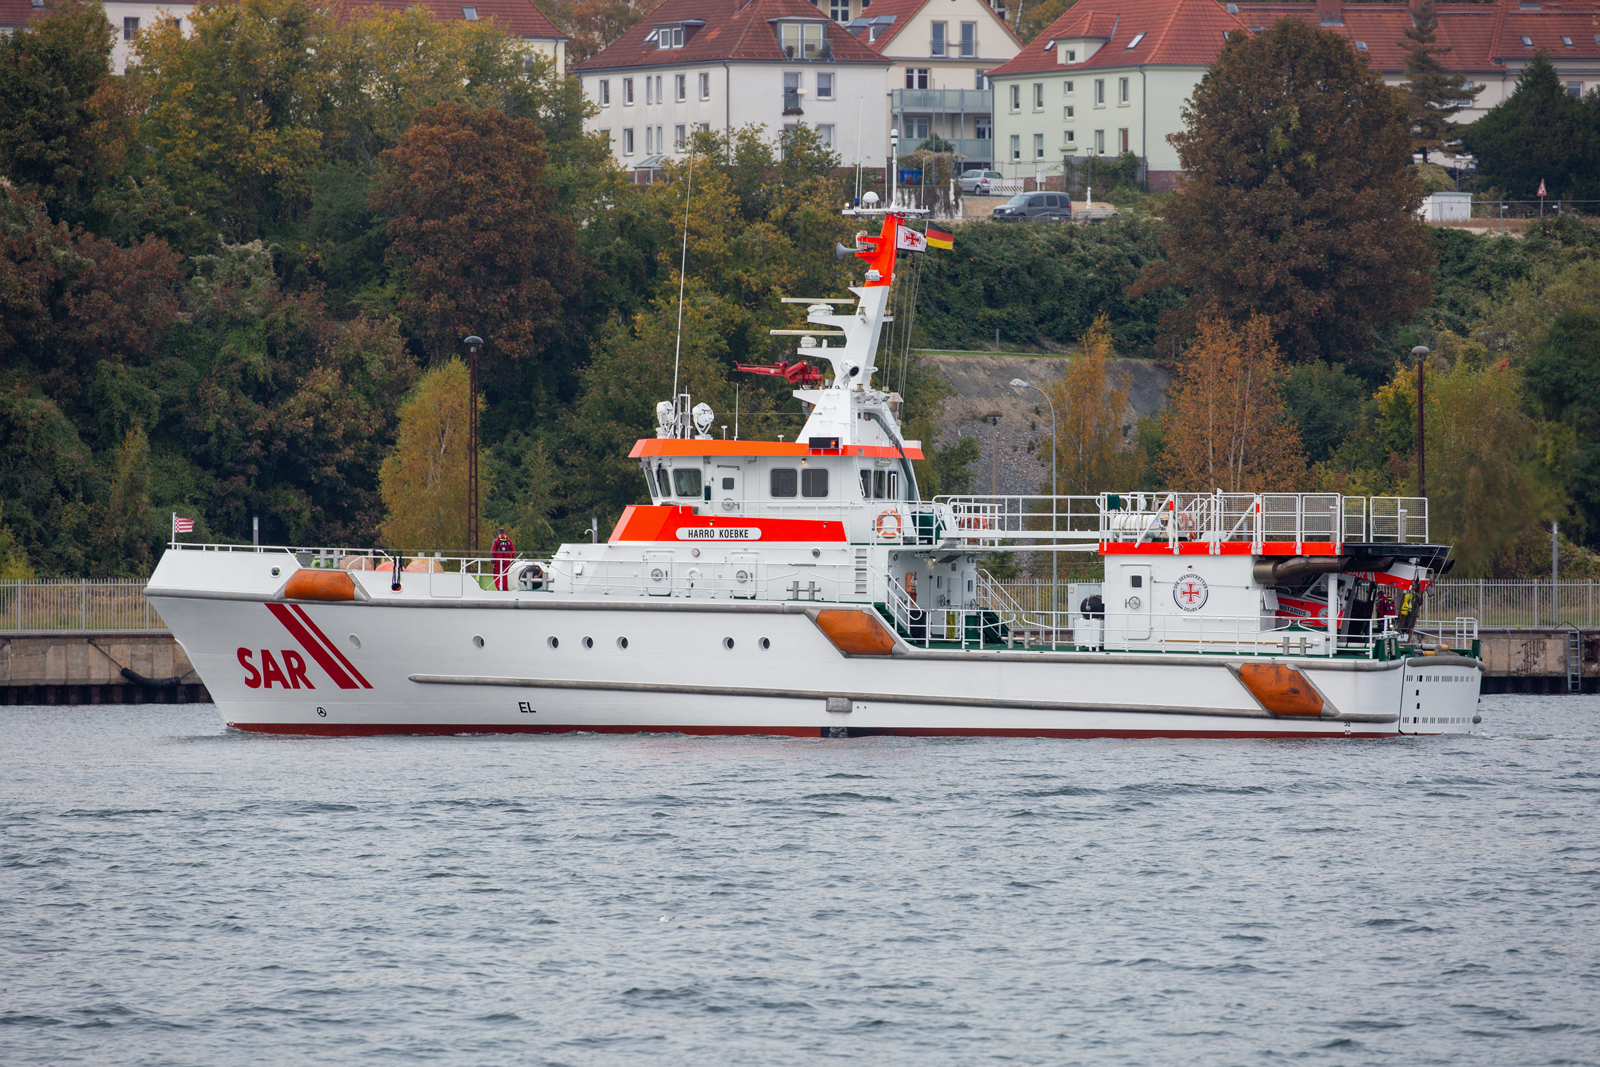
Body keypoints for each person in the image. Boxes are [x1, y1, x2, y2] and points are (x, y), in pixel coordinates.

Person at [491, 526, 516, 591]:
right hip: (507, 561)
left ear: (498, 533)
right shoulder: (509, 541)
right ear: (504, 533)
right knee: (505, 575)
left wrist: (492, 561)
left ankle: (499, 587)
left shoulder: (496, 541)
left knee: (496, 574)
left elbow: (493, 551)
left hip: (498, 561)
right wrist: (512, 560)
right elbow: (513, 551)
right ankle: (505, 589)